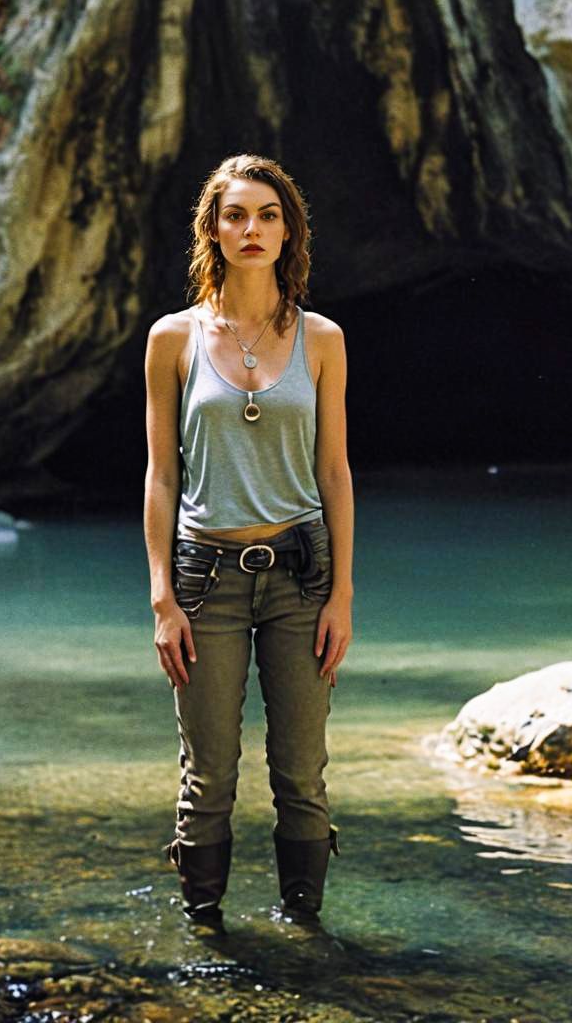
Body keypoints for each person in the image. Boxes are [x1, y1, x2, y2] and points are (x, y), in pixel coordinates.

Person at [143, 153, 354, 928]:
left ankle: (305, 936)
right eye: (236, 215)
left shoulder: (323, 339)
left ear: (289, 230)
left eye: (268, 215)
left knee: (302, 773)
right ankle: (207, 941)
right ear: (214, 230)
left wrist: (343, 594)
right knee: (210, 776)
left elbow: (334, 472)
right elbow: (162, 476)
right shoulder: (173, 339)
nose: (252, 229)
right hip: (205, 579)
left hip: (302, 576)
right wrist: (163, 595)